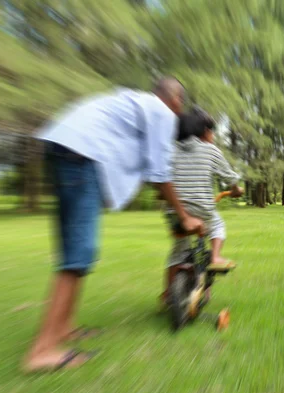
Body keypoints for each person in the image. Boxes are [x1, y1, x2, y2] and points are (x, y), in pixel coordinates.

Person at [24, 77, 204, 372]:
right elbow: (159, 173)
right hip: (81, 154)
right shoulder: (161, 113)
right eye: (180, 103)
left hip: (61, 145)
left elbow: (150, 171)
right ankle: (42, 350)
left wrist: (174, 207)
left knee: (73, 250)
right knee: (79, 253)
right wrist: (185, 216)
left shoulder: (135, 103)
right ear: (176, 101)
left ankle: (64, 328)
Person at [161, 106, 243, 309]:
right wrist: (236, 190)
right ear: (203, 132)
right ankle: (214, 256)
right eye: (211, 130)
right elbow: (230, 177)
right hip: (202, 210)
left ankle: (168, 294)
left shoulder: (169, 150)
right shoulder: (210, 151)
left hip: (174, 212)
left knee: (178, 251)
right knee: (217, 226)